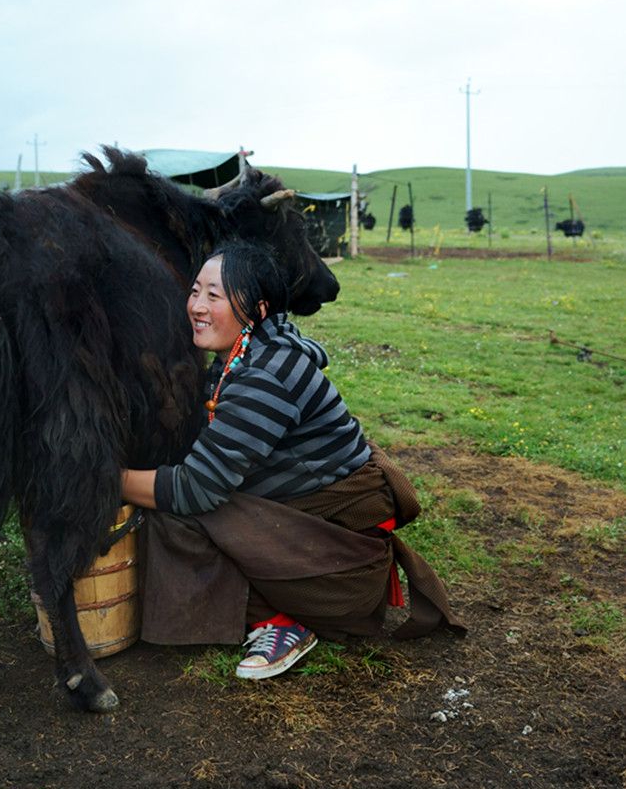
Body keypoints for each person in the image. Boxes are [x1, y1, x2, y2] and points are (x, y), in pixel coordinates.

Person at [121, 240, 464, 680]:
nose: (197, 306)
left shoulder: (266, 375)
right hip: (320, 539)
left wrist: (107, 479)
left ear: (257, 310)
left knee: (175, 511)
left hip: (339, 571)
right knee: (175, 497)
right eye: (194, 291)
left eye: (215, 295)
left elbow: (196, 486)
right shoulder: (248, 356)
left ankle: (278, 623)